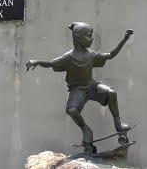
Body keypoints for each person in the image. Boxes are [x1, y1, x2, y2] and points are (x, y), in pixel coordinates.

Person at [26, 22, 134, 151]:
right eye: (88, 36)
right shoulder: (68, 57)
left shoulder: (92, 55)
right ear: (78, 38)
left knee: (111, 93)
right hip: (77, 90)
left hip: (91, 87)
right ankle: (86, 131)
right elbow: (51, 64)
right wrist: (37, 61)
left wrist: (124, 40)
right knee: (72, 110)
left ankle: (118, 124)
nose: (92, 39)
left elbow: (110, 55)